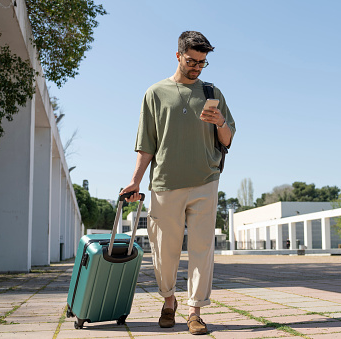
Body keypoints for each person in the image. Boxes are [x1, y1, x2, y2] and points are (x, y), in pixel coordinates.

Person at [120, 31, 235, 335]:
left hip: (205, 181)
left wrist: (220, 122)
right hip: (165, 183)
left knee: (201, 250)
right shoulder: (155, 93)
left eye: (202, 62)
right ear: (178, 56)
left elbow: (228, 139)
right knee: (164, 250)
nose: (197, 66)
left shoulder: (212, 92)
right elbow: (146, 144)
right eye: (192, 60)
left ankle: (195, 311)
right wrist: (135, 180)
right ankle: (169, 301)